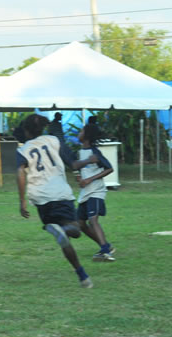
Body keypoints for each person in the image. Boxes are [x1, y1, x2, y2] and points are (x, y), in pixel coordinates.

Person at [17, 114, 95, 288]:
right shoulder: (54, 141)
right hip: (59, 192)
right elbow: (73, 164)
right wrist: (89, 160)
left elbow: (20, 172)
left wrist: (22, 201)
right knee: (75, 230)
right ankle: (64, 229)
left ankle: (82, 276)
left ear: (27, 131)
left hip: (40, 198)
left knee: (63, 239)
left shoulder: (23, 150)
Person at [75, 121, 115, 262]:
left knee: (93, 220)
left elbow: (109, 168)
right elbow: (77, 169)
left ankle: (105, 251)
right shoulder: (80, 151)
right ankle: (105, 246)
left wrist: (90, 179)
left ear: (86, 136)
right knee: (80, 224)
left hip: (96, 192)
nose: (78, 133)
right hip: (85, 193)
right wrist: (79, 178)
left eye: (81, 131)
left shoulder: (95, 152)